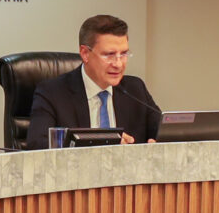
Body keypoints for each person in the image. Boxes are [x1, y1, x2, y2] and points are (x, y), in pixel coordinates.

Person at [27, 14, 163, 148]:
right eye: (109, 54)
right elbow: (37, 144)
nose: (118, 64)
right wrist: (105, 141)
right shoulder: (52, 93)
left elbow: (164, 132)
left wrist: (160, 144)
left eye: (123, 54)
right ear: (85, 53)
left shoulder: (135, 89)